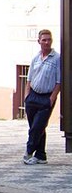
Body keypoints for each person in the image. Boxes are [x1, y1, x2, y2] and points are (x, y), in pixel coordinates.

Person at [23, 29, 61, 165]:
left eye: (49, 39)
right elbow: (29, 78)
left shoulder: (56, 58)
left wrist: (52, 98)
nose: (47, 42)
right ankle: (41, 155)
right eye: (44, 40)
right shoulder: (36, 58)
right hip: (33, 96)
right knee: (36, 126)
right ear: (39, 41)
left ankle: (29, 150)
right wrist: (27, 96)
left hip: (46, 97)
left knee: (37, 126)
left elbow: (59, 81)